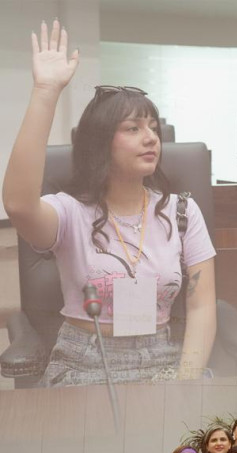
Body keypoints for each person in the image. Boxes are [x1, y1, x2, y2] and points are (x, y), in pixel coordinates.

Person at [3, 20, 216, 387]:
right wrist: (45, 91)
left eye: (153, 127)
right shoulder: (69, 212)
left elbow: (201, 306)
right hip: (85, 360)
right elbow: (20, 205)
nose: (150, 138)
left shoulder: (181, 211)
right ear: (101, 143)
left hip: (162, 358)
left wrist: (186, 379)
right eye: (133, 128)